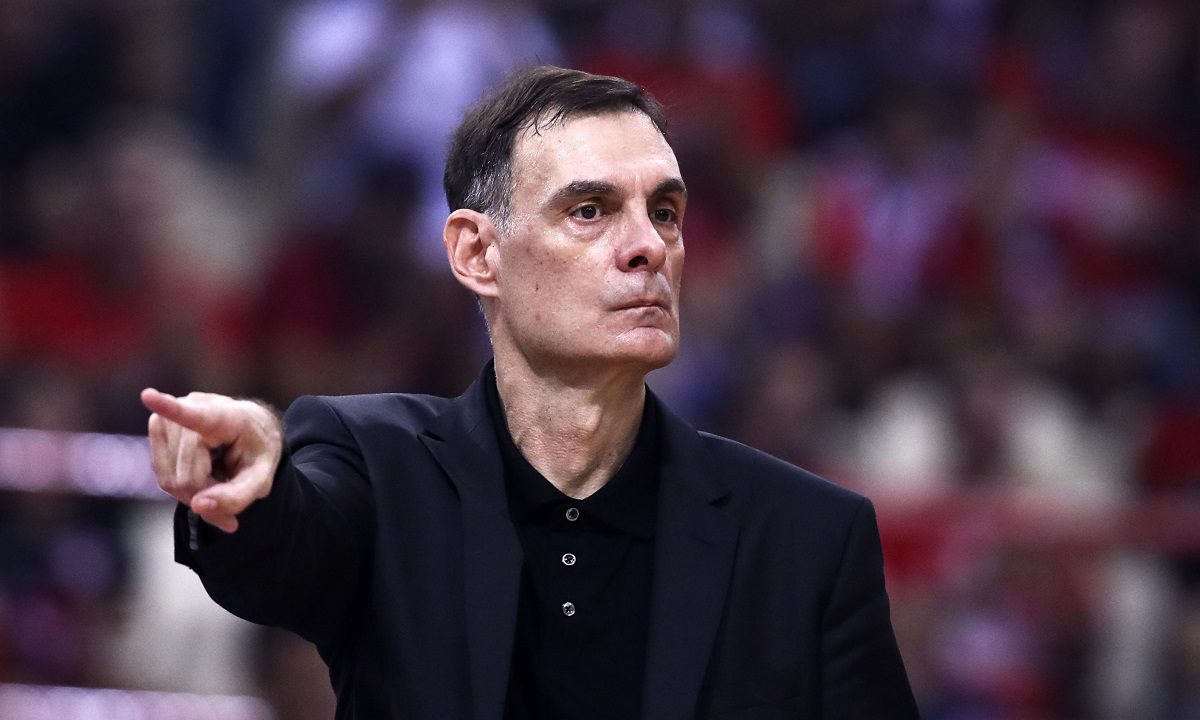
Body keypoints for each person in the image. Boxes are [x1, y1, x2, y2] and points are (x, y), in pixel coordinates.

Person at [142, 65, 919, 720]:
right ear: (477, 254)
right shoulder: (378, 470)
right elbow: (281, 552)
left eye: (665, 212)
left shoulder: (809, 538)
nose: (649, 246)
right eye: (591, 210)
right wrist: (253, 480)